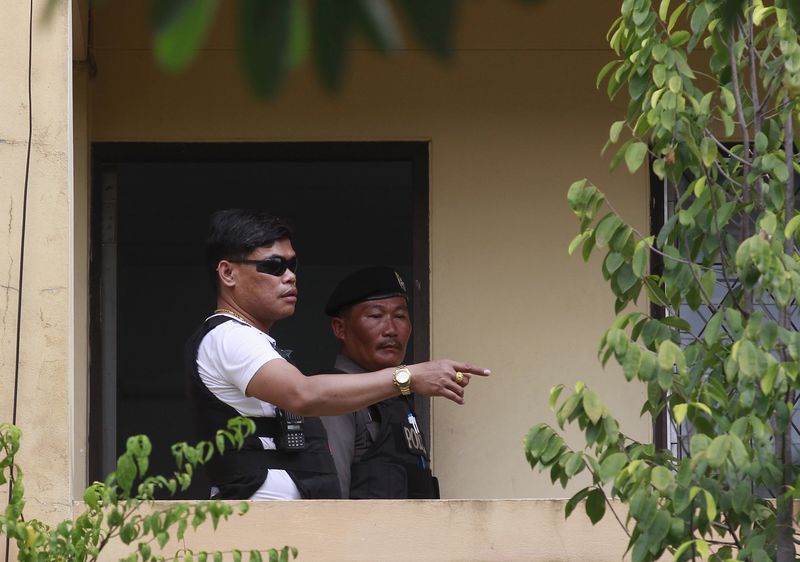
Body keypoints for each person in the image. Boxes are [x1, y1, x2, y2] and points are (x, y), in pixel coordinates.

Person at [185, 209, 489, 500]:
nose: (289, 276)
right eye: (274, 266)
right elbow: (304, 394)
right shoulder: (229, 335)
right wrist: (407, 377)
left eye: (293, 266)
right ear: (228, 273)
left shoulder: (250, 339)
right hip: (258, 529)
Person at [321, 266, 439, 499]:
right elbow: (331, 503)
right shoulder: (334, 398)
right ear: (340, 328)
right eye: (376, 316)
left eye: (400, 316)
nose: (391, 330)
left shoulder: (400, 399)